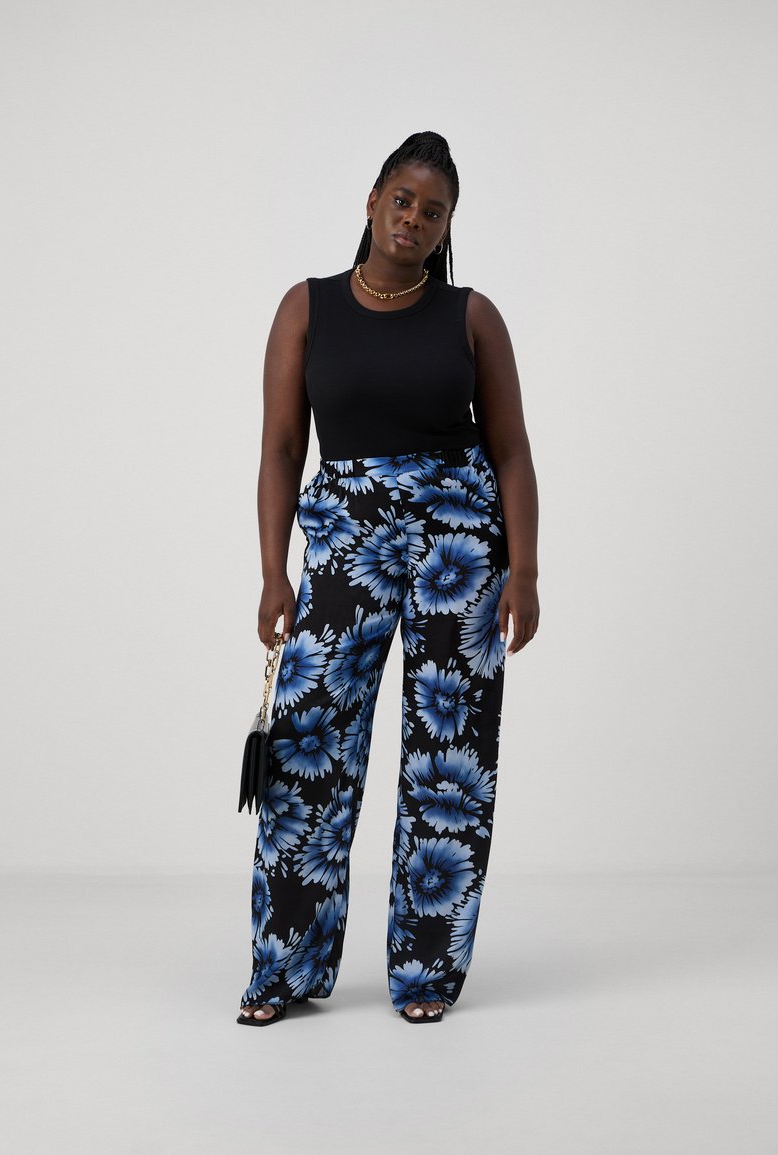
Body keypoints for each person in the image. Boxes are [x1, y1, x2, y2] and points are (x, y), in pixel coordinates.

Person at [237, 131, 539, 1026]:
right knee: (309, 741)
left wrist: (525, 570)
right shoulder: (307, 307)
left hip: (460, 546)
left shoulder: (472, 316)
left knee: (449, 760)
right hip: (345, 539)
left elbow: (513, 452)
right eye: (402, 200)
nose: (414, 219)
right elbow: (281, 448)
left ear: (447, 226)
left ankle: (426, 972)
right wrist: (272, 573)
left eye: (432, 210)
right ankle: (283, 970)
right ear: (372, 202)